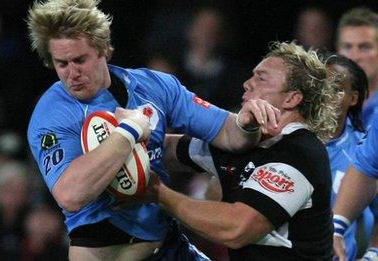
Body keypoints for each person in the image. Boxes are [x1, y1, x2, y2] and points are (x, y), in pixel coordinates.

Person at [26, 0, 279, 260]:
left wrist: (246, 123)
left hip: (169, 247)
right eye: (62, 64)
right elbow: (70, 194)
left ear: (104, 49)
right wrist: (130, 129)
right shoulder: (52, 113)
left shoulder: (155, 86)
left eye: (80, 60)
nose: (72, 73)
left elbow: (229, 134)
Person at [147, 41, 342, 260]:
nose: (247, 84)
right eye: (251, 76)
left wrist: (158, 193)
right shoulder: (243, 143)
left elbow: (237, 229)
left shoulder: (300, 151)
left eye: (261, 78)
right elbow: (167, 149)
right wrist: (121, 143)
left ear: (292, 98)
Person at [325, 54, 374, 260]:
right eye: (320, 85)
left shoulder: (364, 151)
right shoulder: (282, 138)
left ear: (352, 98)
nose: (325, 94)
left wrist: (373, 254)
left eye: (336, 89)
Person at [336, 7, 378, 129]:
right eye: (347, 47)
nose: (355, 57)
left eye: (364, 47)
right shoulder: (324, 104)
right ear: (337, 50)